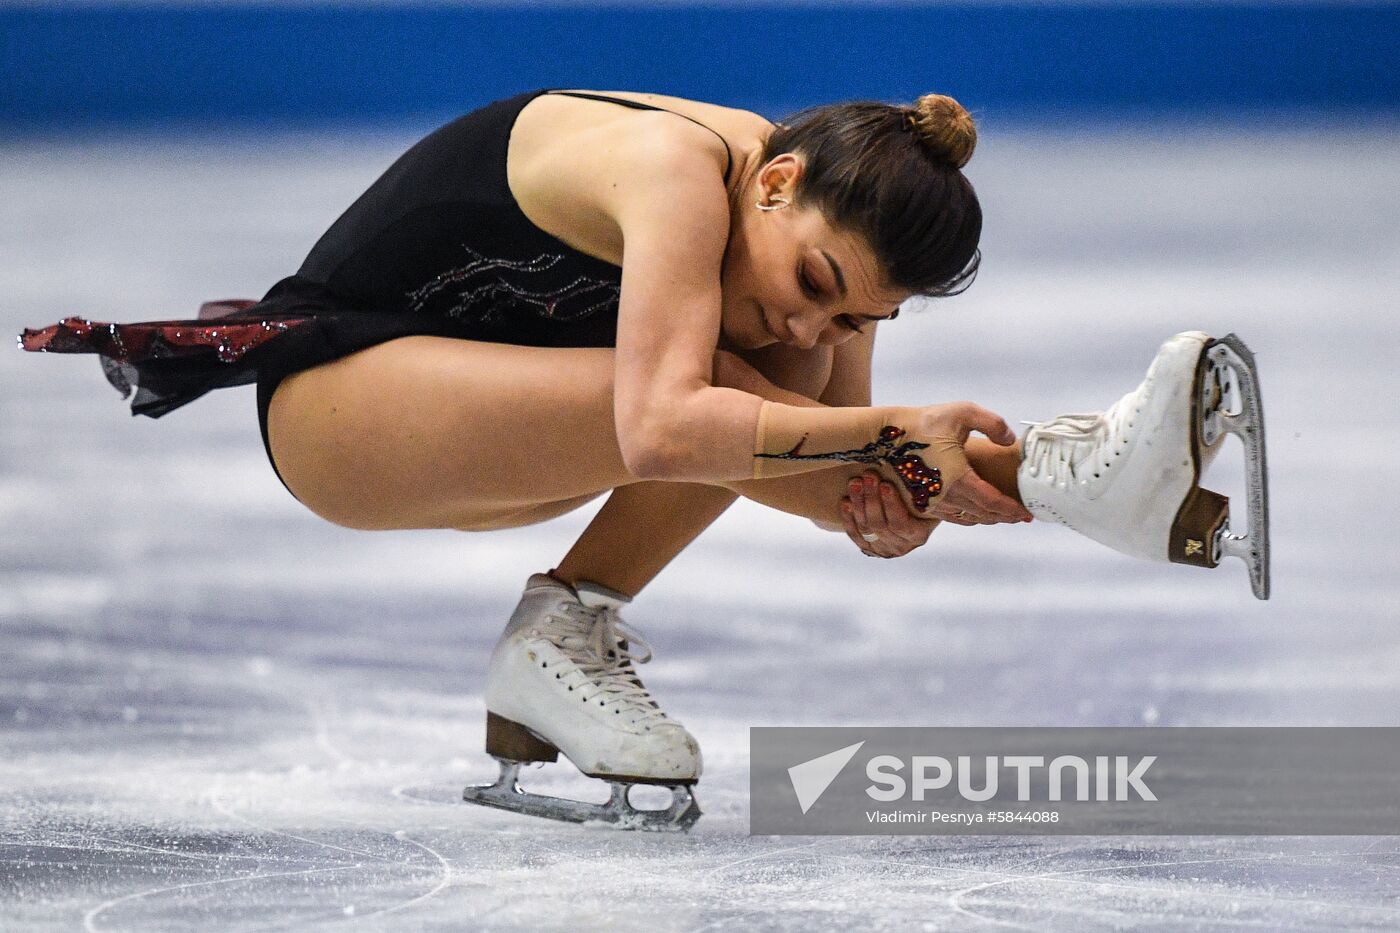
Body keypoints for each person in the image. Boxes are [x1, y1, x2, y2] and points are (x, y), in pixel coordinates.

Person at [18, 88, 1268, 831]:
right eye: (819, 285)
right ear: (772, 183)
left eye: (857, 324)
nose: (815, 329)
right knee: (713, 397)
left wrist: (955, 486)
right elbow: (673, 436)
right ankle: (553, 640)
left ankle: (559, 640)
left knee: (757, 395)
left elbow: (832, 478)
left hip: (508, 427)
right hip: (337, 406)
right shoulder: (680, 171)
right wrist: (881, 443)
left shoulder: (784, 268)